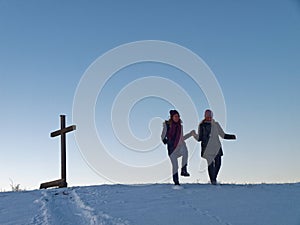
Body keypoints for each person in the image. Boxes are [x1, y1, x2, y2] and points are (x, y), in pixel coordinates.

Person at [192, 109, 236, 185]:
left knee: (218, 164)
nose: (209, 118)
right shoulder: (202, 125)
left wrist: (232, 137)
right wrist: (194, 135)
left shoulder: (216, 124)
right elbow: (199, 138)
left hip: (216, 147)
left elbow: (222, 135)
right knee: (211, 163)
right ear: (205, 116)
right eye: (207, 116)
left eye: (210, 116)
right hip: (207, 148)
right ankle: (213, 181)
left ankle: (214, 178)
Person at [161, 110, 193, 185]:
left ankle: (184, 170)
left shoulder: (180, 126)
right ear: (172, 117)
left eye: (178, 116)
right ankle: (176, 182)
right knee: (175, 165)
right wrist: (166, 141)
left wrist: (190, 134)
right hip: (172, 148)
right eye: (175, 116)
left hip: (180, 146)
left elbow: (181, 138)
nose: (177, 118)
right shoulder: (167, 125)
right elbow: (163, 135)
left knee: (185, 151)